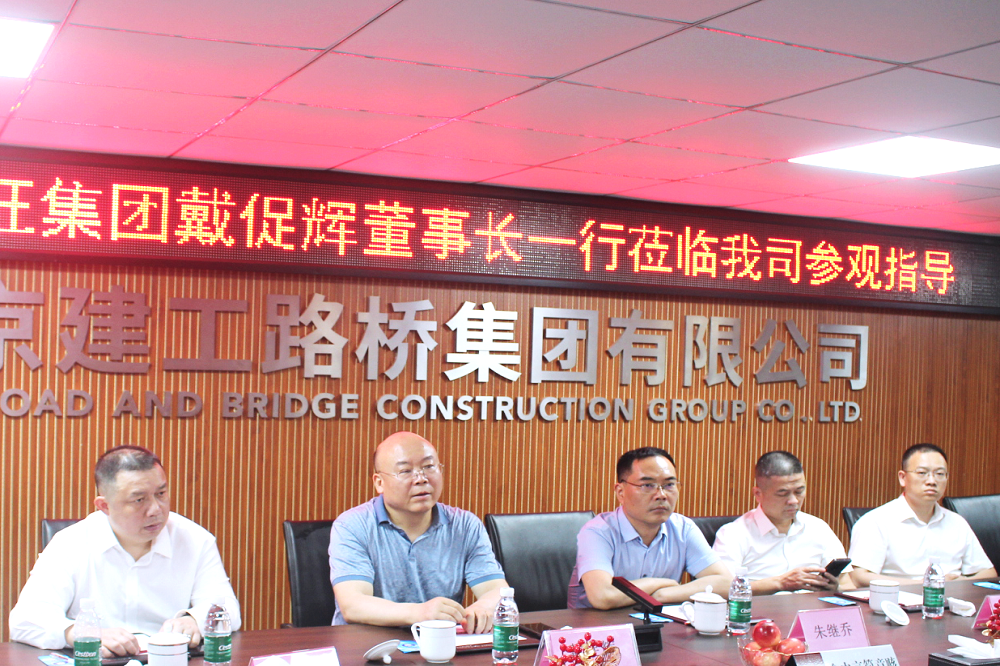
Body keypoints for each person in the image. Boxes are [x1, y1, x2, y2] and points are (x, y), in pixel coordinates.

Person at [9, 445, 241, 657]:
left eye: (161, 494)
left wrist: (194, 620)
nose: (155, 509)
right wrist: (81, 633)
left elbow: (227, 608)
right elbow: (25, 620)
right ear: (104, 506)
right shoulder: (70, 543)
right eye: (139, 500)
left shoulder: (195, 540)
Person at [329, 431, 507, 632]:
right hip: (367, 644)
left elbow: (498, 592)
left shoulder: (465, 525)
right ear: (379, 482)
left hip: (440, 643)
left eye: (429, 467)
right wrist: (421, 613)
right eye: (405, 471)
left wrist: (483, 608)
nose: (421, 479)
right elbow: (353, 605)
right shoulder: (352, 526)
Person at [567, 447, 731, 609]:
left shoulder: (683, 529)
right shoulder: (598, 531)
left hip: (658, 622)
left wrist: (662, 595)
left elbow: (726, 583)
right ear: (620, 492)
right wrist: (658, 583)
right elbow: (603, 596)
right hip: (598, 624)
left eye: (669, 484)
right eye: (647, 485)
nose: (661, 495)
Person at [849, 443, 996, 586]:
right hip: (898, 598)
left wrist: (958, 583)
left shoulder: (957, 522)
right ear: (902, 477)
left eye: (940, 474)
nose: (932, 481)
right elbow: (859, 576)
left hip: (951, 597)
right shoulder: (875, 521)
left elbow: (988, 572)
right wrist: (923, 586)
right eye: (922, 473)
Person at [713, 451, 853, 594]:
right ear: (758, 494)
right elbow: (720, 590)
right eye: (783, 493)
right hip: (761, 608)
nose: (794, 501)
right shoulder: (733, 534)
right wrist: (780, 583)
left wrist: (835, 588)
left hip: (813, 606)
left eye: (799, 491)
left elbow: (848, 586)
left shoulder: (818, 528)